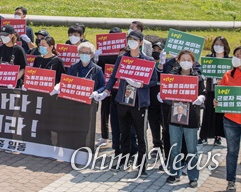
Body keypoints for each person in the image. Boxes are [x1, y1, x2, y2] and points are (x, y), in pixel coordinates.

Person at [95, 29, 158, 176]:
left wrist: (141, 85)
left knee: (140, 135)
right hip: (123, 101)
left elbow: (154, 80)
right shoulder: (122, 58)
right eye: (130, 39)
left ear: (141, 42)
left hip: (139, 103)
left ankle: (142, 165)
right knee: (124, 133)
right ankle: (124, 160)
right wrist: (106, 91)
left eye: (135, 40)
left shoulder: (147, 61)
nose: (132, 42)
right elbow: (113, 77)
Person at [158, 50, 205, 188]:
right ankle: (174, 173)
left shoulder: (198, 78)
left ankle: (193, 176)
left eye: (188, 59)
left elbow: (203, 94)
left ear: (193, 62)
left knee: (192, 149)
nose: (185, 62)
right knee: (175, 147)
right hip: (174, 117)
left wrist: (201, 98)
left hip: (191, 118)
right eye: (183, 59)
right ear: (178, 61)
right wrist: (162, 97)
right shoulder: (171, 77)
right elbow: (165, 92)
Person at [199, 36, 230, 145]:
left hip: (223, 90)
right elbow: (203, 71)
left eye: (221, 45)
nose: (218, 47)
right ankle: (203, 136)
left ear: (225, 47)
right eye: (216, 44)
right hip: (210, 89)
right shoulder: (209, 58)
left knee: (219, 113)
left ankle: (218, 136)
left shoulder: (228, 60)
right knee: (207, 113)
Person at [219, 46, 241, 192]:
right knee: (232, 151)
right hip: (231, 120)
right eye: (237, 55)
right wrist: (217, 101)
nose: (238, 58)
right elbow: (220, 95)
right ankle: (231, 182)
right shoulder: (228, 75)